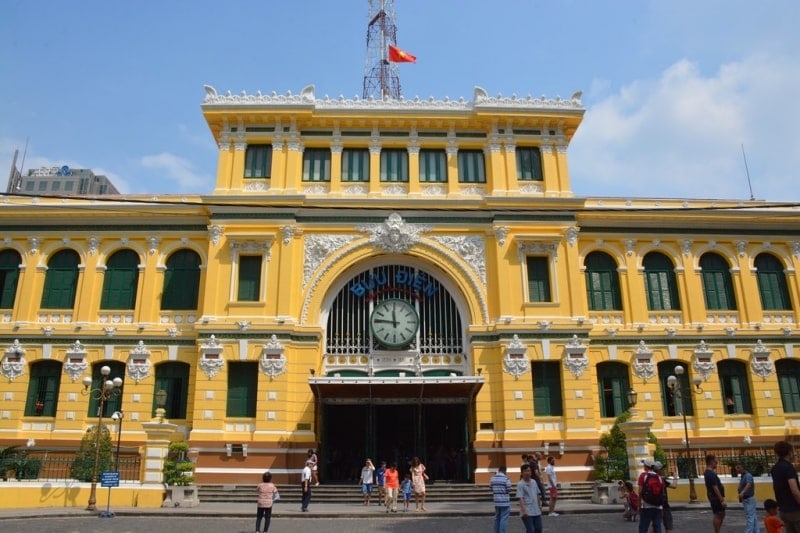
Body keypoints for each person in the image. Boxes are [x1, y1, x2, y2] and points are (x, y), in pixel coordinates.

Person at [771, 440, 800, 532]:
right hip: (795, 509)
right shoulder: (788, 468)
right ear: (789, 452)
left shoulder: (775, 468)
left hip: (783, 509)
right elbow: (794, 490)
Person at [638, 460, 664, 533]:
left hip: (646, 506)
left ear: (646, 467)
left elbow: (640, 491)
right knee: (657, 527)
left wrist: (638, 505)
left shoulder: (643, 475)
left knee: (643, 528)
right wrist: (661, 506)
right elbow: (662, 493)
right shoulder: (659, 477)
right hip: (658, 506)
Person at [517, 463, 543, 533]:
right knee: (531, 530)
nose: (528, 472)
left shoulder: (534, 482)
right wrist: (524, 510)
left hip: (536, 510)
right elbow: (520, 498)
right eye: (526, 471)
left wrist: (540, 505)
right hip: (527, 511)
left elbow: (537, 494)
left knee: (539, 528)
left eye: (529, 471)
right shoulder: (520, 484)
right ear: (522, 473)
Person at [704, 454, 726, 533]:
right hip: (715, 498)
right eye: (715, 462)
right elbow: (715, 487)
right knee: (718, 514)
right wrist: (721, 500)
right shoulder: (710, 474)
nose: (716, 464)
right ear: (711, 462)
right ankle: (717, 531)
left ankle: (718, 531)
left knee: (721, 514)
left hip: (715, 497)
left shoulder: (710, 473)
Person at [490, 465, 512, 533]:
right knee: (503, 519)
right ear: (505, 471)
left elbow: (491, 488)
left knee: (497, 518)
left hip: (496, 501)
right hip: (505, 502)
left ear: (499, 470)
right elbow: (509, 489)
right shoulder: (506, 479)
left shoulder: (492, 478)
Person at [736, 461, 757, 533]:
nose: (737, 469)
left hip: (749, 499)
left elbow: (749, 484)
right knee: (753, 516)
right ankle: (756, 531)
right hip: (746, 499)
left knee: (750, 517)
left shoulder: (747, 475)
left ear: (743, 467)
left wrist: (742, 492)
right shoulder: (743, 476)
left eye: (739, 467)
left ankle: (748, 531)